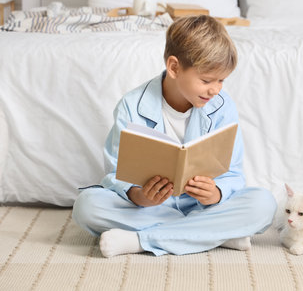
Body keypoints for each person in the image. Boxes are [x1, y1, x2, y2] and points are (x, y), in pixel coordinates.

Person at [72, 15, 277, 258]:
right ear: (174, 67)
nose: (216, 89)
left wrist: (216, 194)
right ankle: (214, 233)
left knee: (263, 204)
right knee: (87, 206)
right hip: (151, 208)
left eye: (222, 80)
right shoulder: (130, 105)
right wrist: (141, 196)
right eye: (206, 80)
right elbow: (116, 173)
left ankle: (141, 240)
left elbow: (233, 173)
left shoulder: (223, 106)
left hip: (203, 207)